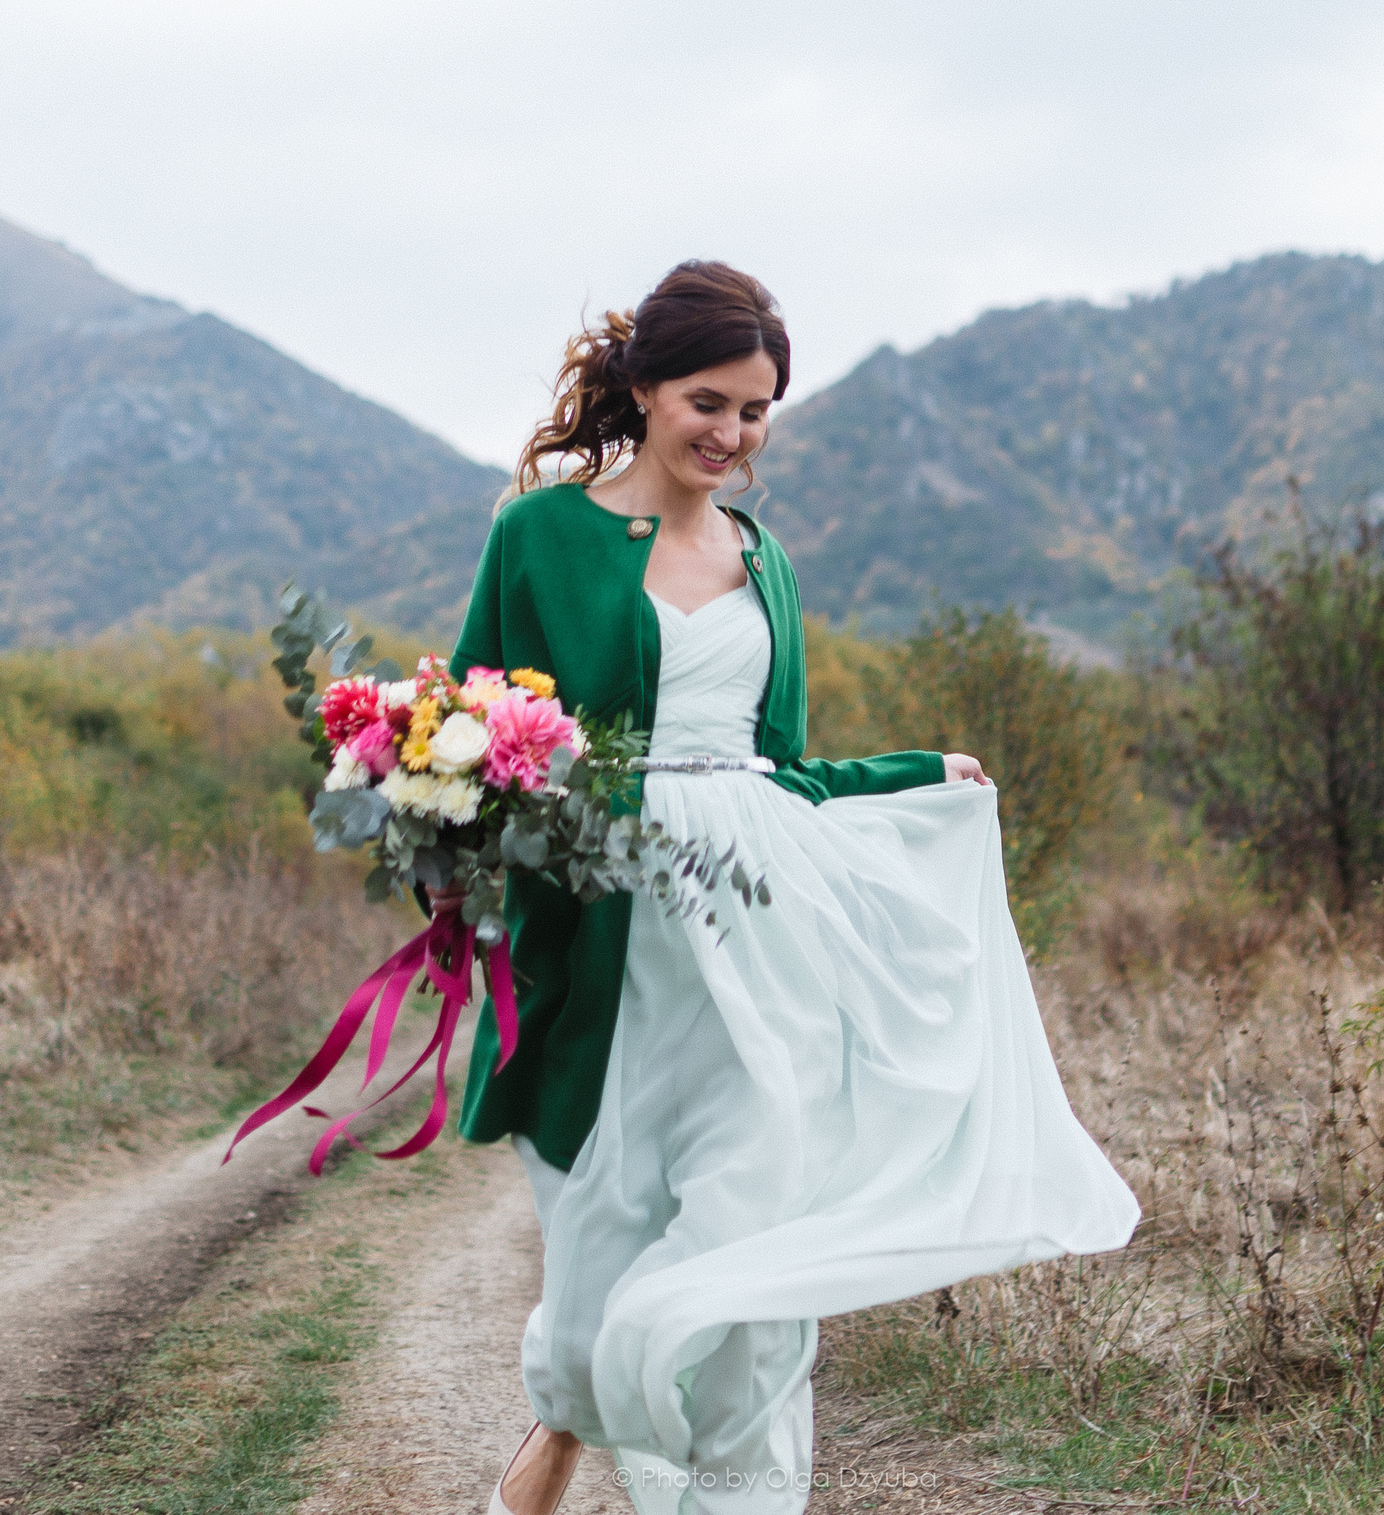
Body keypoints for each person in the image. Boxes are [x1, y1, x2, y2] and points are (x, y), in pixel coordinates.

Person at [441, 261, 1138, 1515]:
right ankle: (563, 1432)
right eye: (709, 402)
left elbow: (783, 768)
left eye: (757, 412)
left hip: (760, 939)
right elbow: (474, 733)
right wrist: (467, 876)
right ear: (645, 387)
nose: (732, 435)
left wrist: (915, 771)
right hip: (609, 936)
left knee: (757, 1260)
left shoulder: (765, 561)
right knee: (602, 1254)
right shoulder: (539, 535)